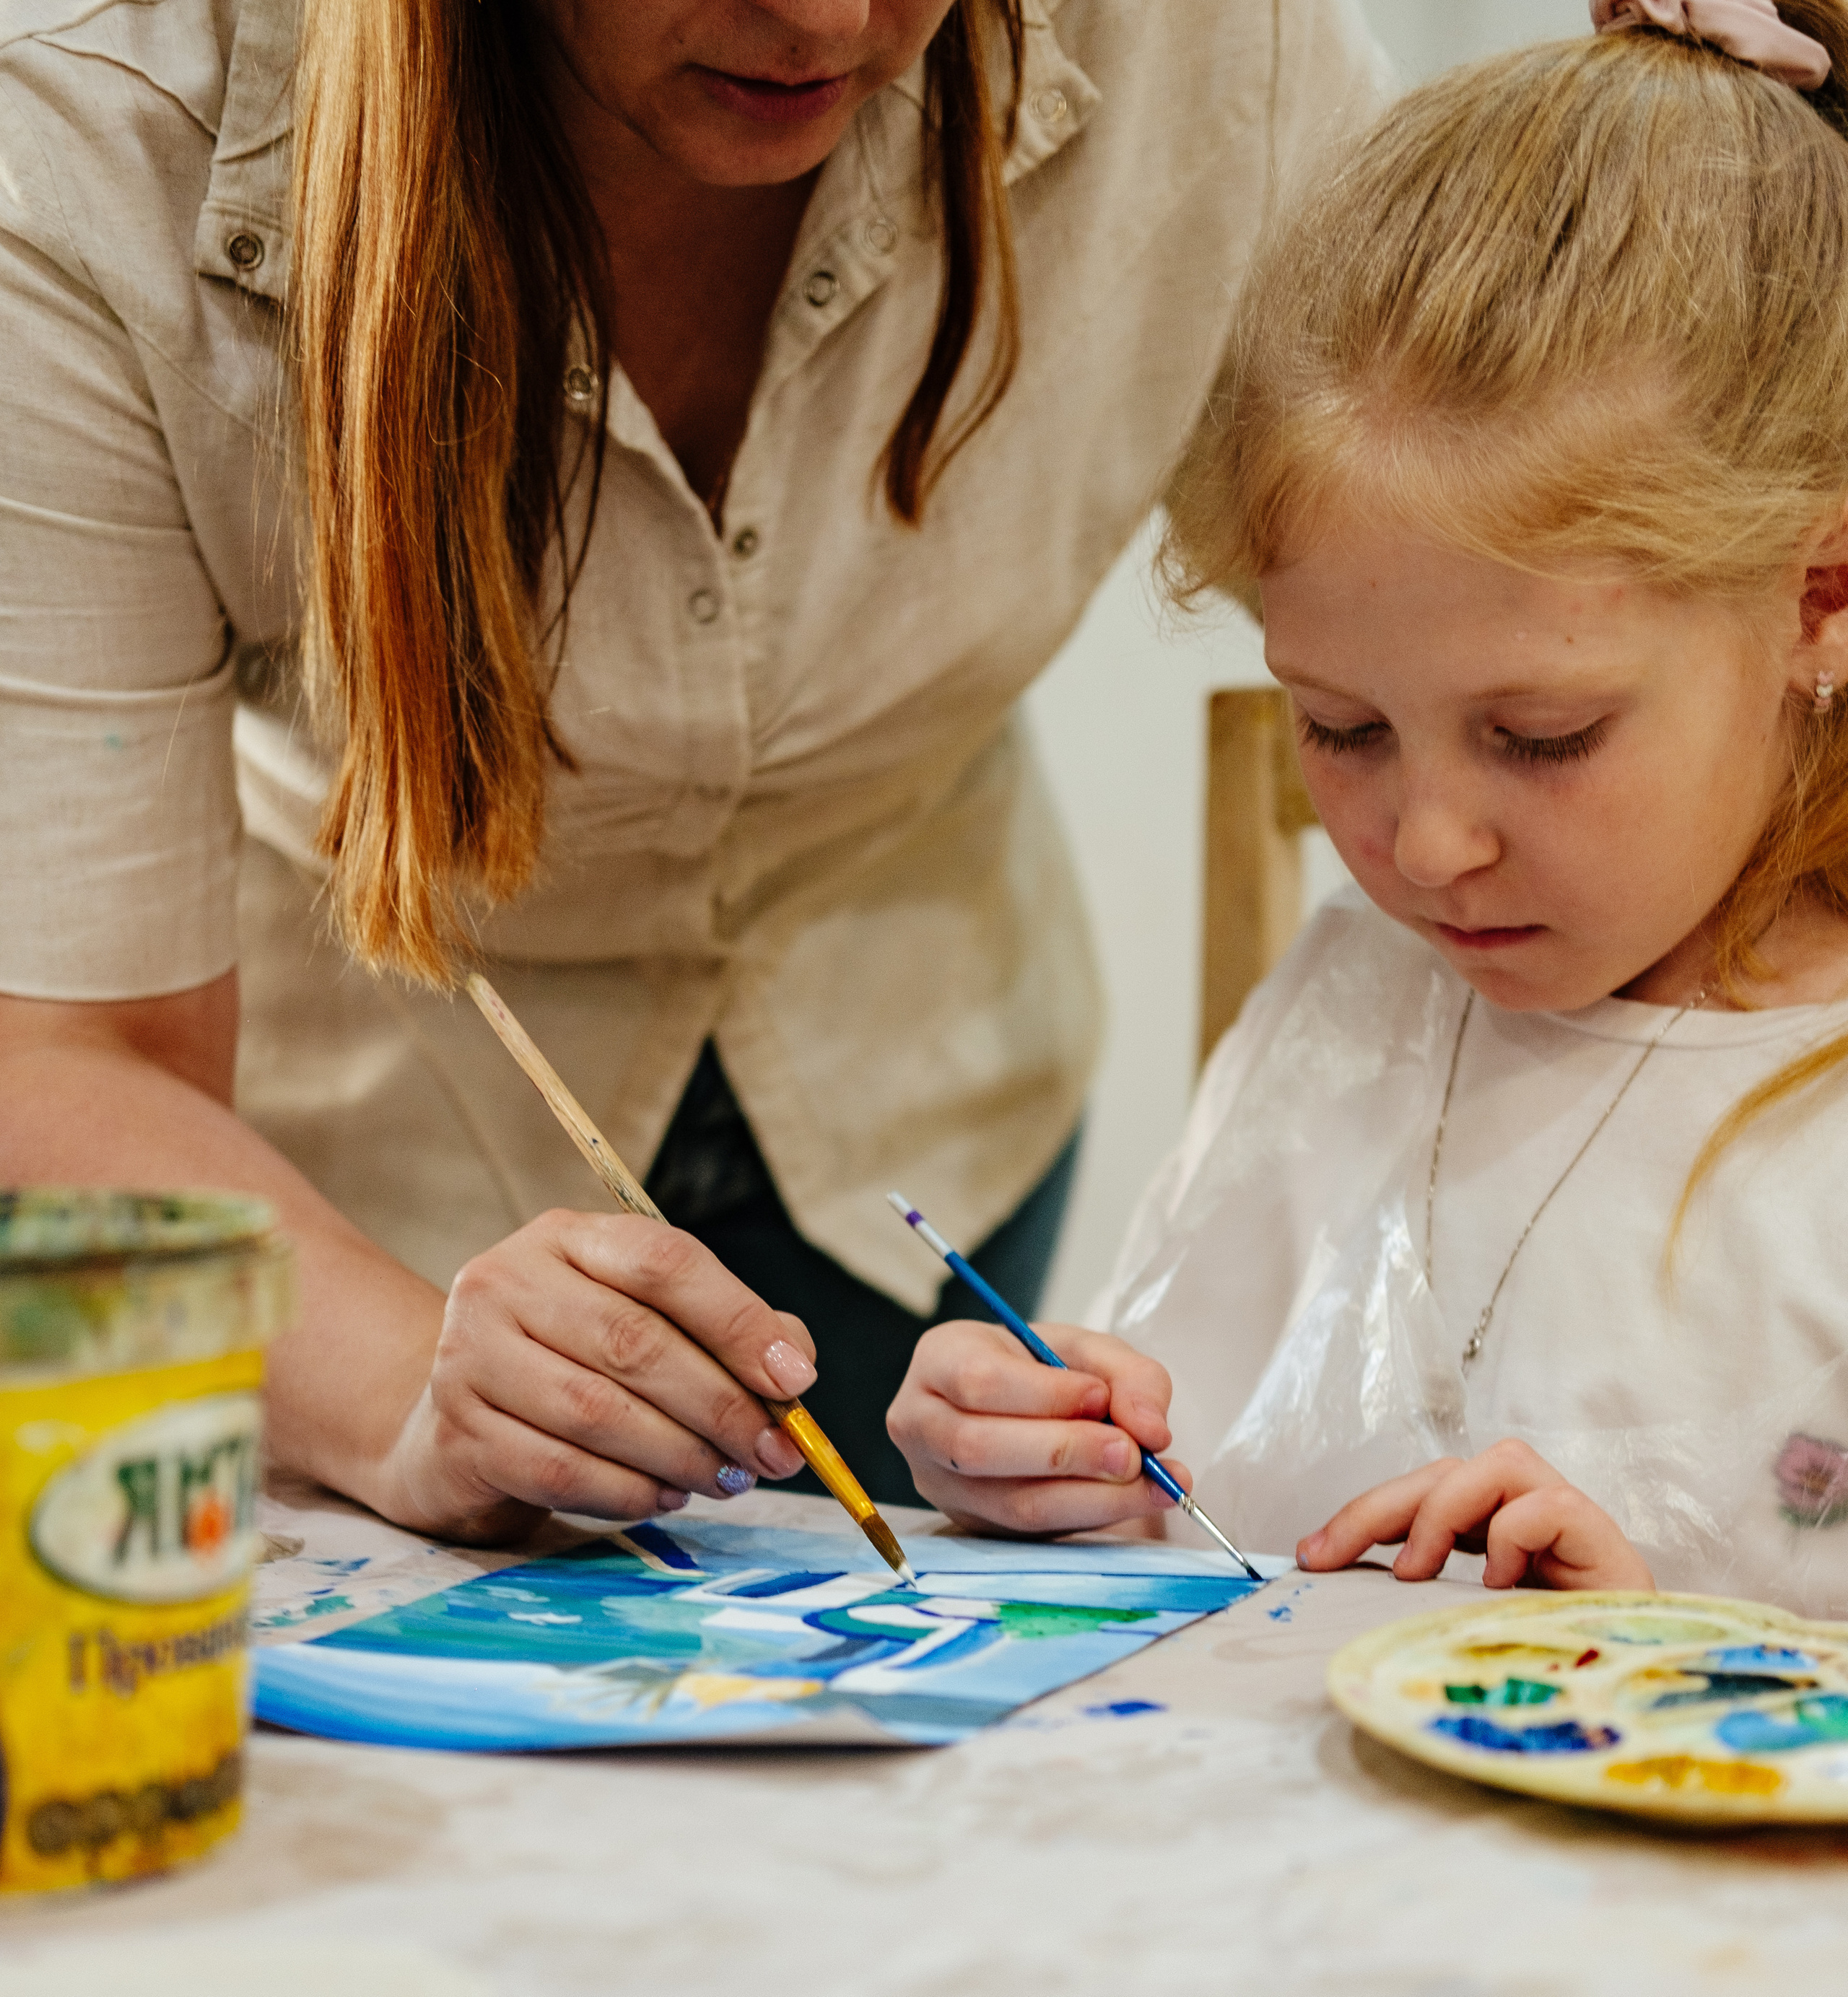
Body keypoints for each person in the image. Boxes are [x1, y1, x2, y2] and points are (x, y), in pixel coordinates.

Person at [0, 1, 1387, 1536]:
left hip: (921, 1122)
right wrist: (401, 1388)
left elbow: (1490, 580)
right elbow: (72, 1055)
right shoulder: (88, 133)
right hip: (335, 1184)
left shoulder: (1218, 49)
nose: (825, 19)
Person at [889, 0, 1848, 1615]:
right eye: (1335, 726)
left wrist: (1680, 1666)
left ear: (1816, 599)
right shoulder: (1343, 1005)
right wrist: (1031, 1465)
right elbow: (1180, 1521)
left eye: (1538, 735)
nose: (1422, 847)